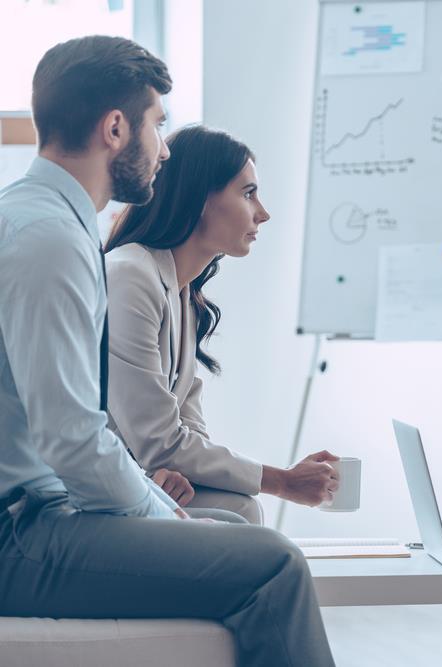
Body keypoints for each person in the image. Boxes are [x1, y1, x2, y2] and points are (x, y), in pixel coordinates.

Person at [0, 36, 336, 667]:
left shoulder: (41, 219)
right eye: (158, 124)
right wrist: (169, 519)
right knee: (275, 563)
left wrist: (165, 512)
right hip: (19, 530)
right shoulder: (50, 240)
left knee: (239, 529)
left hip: (37, 511)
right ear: (116, 128)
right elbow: (72, 438)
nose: (162, 147)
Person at [104, 124, 339, 524]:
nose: (262, 213)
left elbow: (187, 428)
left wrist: (177, 473)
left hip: (136, 480)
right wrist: (283, 481)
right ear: (199, 198)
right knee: (245, 517)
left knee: (243, 509)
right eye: (248, 193)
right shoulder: (129, 275)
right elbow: (160, 443)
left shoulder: (184, 294)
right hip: (90, 494)